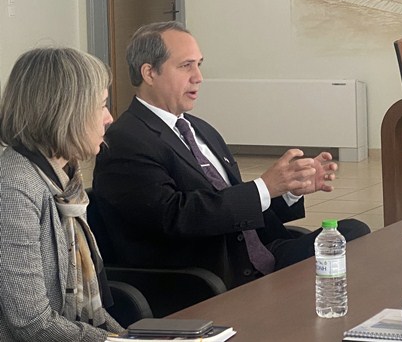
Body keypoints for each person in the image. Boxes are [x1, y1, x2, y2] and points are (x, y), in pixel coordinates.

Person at [92, 22, 369, 290]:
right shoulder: (126, 140)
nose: (198, 77)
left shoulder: (200, 129)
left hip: (264, 256)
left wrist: (288, 190)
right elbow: (176, 217)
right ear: (149, 73)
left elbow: (236, 208)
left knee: (353, 233)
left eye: (199, 64)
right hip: (213, 277)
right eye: (186, 66)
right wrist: (264, 187)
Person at [0, 48, 123, 341]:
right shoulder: (14, 188)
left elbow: (90, 313)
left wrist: (130, 338)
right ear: (66, 112)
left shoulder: (66, 183)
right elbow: (31, 323)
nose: (110, 118)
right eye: (102, 106)